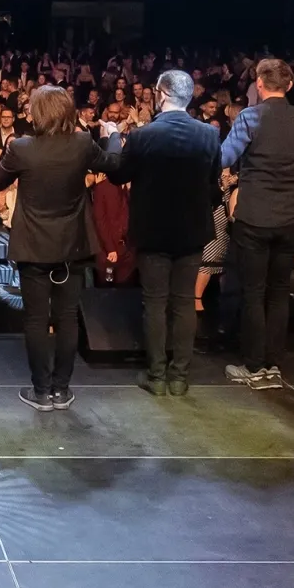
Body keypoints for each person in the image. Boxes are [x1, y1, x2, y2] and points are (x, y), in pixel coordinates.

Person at [0, 85, 123, 413]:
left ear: (40, 112)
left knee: (35, 318)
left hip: (33, 245)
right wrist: (113, 133)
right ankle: (62, 390)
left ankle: (41, 391)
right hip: (71, 244)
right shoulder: (81, 144)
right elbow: (114, 162)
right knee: (67, 316)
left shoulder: (21, 148)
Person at [108, 70, 222, 396]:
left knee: (155, 303)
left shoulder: (144, 136)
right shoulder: (208, 135)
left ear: (160, 94)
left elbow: (118, 175)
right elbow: (212, 181)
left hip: (154, 229)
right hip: (192, 230)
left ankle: (156, 376)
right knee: (185, 302)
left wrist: (115, 139)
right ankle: (180, 377)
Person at [219, 58, 294, 390]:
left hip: (254, 217)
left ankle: (253, 367)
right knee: (279, 291)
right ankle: (272, 365)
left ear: (259, 83)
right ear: (291, 85)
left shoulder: (250, 117)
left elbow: (223, 158)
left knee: (253, 292)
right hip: (290, 219)